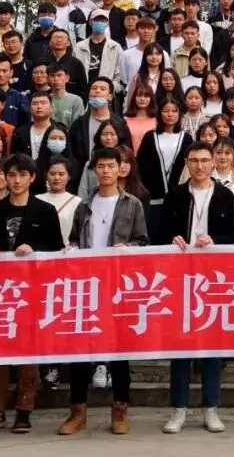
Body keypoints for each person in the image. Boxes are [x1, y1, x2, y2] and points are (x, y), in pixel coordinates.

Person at [58, 147, 148, 436]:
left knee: (119, 351)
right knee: (80, 351)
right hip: (87, 287)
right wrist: (71, 249)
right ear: (94, 170)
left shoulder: (132, 204)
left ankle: (120, 409)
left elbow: (143, 242)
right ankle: (78, 411)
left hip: (118, 286)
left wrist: (128, 248)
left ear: (121, 168)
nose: (106, 171)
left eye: (111, 165)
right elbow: (74, 239)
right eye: (101, 166)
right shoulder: (84, 205)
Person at [0, 154, 62, 434]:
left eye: (23, 174)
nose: (17, 180)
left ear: (32, 178)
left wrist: (35, 252)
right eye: (11, 174)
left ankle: (24, 410)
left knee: (27, 354)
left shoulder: (45, 211)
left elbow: (57, 252)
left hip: (31, 293)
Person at [160, 141, 234, 434]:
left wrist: (215, 241)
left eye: (205, 160)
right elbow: (160, 233)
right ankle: (178, 409)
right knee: (181, 347)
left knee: (211, 348)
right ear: (186, 162)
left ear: (214, 163)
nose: (200, 165)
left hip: (213, 279)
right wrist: (172, 239)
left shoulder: (225, 196)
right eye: (194, 160)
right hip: (180, 279)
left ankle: (211, 408)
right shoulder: (175, 196)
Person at [136, 97, 192, 242]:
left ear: (179, 114)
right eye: (166, 111)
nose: (170, 114)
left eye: (174, 111)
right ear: (159, 113)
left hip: (179, 200)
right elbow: (141, 165)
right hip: (154, 200)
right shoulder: (150, 137)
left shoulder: (186, 138)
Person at [73, 9, 125, 106]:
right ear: (90, 22)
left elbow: (119, 74)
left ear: (107, 23)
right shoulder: (79, 46)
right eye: (96, 20)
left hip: (105, 94)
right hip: (83, 93)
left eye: (103, 20)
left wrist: (110, 89)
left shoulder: (115, 47)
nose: (99, 23)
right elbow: (74, 71)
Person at [37, 155, 81, 246]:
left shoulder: (77, 202)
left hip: (68, 251)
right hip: (41, 251)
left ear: (69, 176)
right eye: (52, 174)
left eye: (61, 174)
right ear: (46, 175)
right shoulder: (36, 200)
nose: (56, 178)